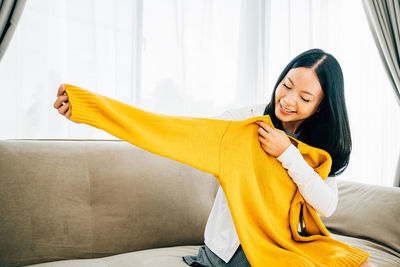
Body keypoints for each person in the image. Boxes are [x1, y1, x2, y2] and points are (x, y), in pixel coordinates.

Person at [54, 48, 376, 267]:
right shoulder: (240, 125)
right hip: (231, 252)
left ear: (319, 107)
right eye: (286, 85)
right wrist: (87, 108)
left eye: (304, 98)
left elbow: (327, 205)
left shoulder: (317, 147)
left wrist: (288, 153)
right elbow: (163, 131)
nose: (288, 100)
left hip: (284, 245)